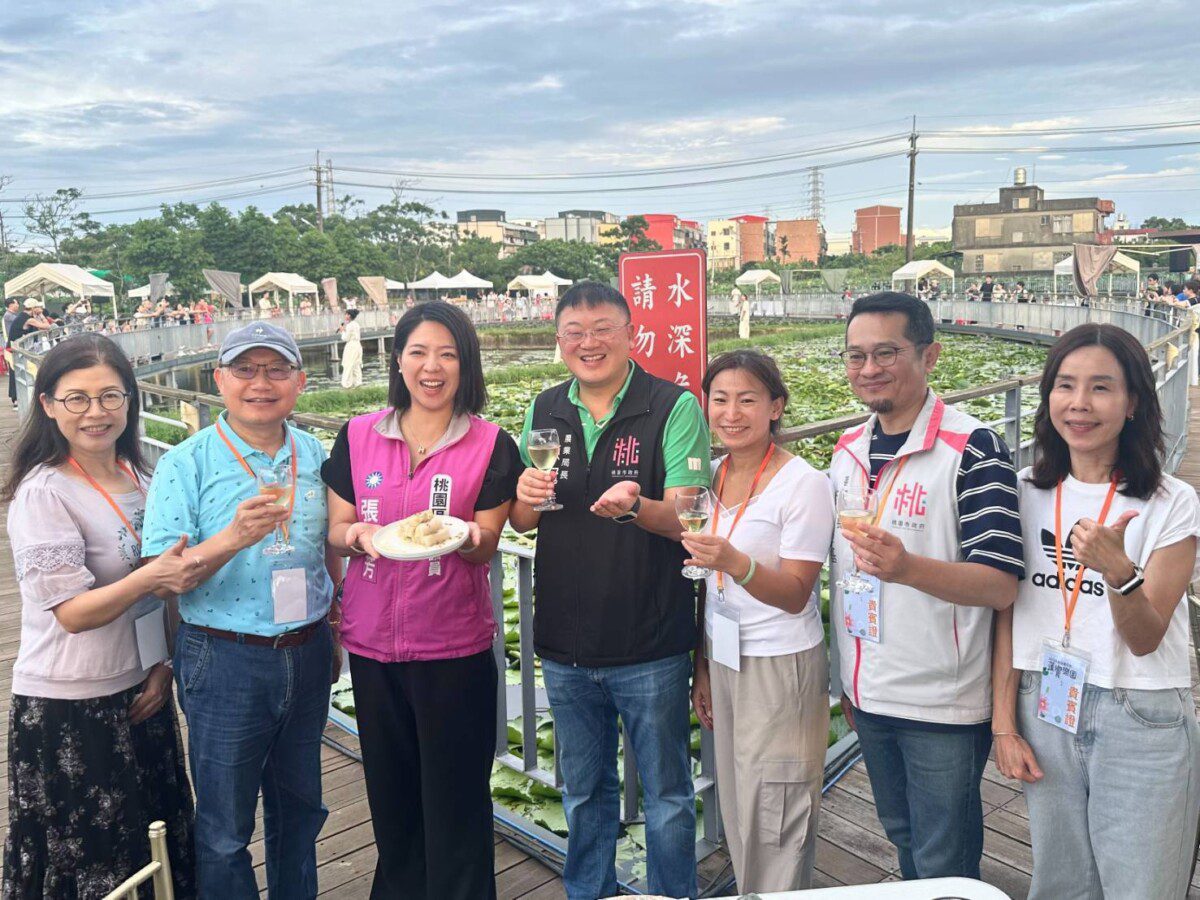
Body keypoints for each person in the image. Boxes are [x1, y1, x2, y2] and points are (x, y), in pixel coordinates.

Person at [509, 282, 711, 900]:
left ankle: (672, 894)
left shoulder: (672, 406)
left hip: (649, 638)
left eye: (602, 329)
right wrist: (523, 495)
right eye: (574, 331)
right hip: (564, 641)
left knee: (668, 793)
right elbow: (521, 522)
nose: (588, 343)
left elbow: (684, 516)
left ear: (631, 334)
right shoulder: (545, 409)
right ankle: (588, 892)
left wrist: (633, 505)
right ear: (559, 340)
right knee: (582, 789)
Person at [992, 323, 1200, 899]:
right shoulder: (1022, 490)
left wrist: (1120, 572)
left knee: (1141, 887)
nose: (1079, 404)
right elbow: (1009, 613)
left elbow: (1147, 638)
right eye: (1065, 385)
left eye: (1101, 388)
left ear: (1134, 402)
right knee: (1060, 884)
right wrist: (1003, 723)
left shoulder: (1171, 503)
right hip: (1046, 705)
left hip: (1141, 715)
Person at [322, 302, 521, 899]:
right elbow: (337, 529)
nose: (432, 367)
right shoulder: (358, 435)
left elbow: (482, 547)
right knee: (392, 799)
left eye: (448, 354)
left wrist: (473, 536)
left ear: (467, 365)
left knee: (457, 803)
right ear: (398, 360)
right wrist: (355, 536)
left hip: (453, 649)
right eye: (418, 352)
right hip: (374, 648)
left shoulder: (492, 444)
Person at [829, 292, 1025, 880]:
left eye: (886, 352)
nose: (869, 369)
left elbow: (1000, 585)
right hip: (870, 692)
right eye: (856, 355)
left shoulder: (974, 450)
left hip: (942, 700)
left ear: (929, 355)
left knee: (945, 856)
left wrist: (909, 567)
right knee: (904, 838)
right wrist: (848, 680)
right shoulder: (847, 452)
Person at [141, 322, 338, 898]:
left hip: (306, 650)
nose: (261, 383)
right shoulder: (186, 462)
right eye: (245, 370)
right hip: (222, 656)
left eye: (277, 369)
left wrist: (338, 619)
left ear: (300, 381)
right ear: (220, 379)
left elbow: (328, 547)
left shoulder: (316, 452)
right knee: (226, 828)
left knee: (301, 812)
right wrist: (232, 537)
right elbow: (161, 578)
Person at [1, 334, 199, 898]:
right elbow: (71, 613)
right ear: (47, 404)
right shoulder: (44, 494)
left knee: (155, 845)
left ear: (130, 401)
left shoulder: (143, 478)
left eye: (111, 396)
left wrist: (162, 665)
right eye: (77, 399)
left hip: (142, 691)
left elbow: (161, 596)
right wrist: (153, 576)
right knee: (92, 861)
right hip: (71, 704)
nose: (97, 412)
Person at [685, 350, 834, 893]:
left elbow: (796, 594)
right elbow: (711, 591)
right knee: (739, 799)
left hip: (779, 665)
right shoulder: (713, 475)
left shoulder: (804, 483)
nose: (731, 412)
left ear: (776, 406)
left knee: (777, 809)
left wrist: (734, 561)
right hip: (725, 660)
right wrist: (702, 667)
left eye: (747, 399)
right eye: (719, 399)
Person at [339, 308, 364, 389]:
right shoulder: (356, 324)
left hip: (351, 346)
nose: (345, 316)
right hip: (358, 345)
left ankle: (346, 384)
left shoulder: (350, 325)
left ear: (349, 316)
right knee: (356, 365)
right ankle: (358, 383)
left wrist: (342, 331)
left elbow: (346, 338)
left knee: (348, 365)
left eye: (346, 314)